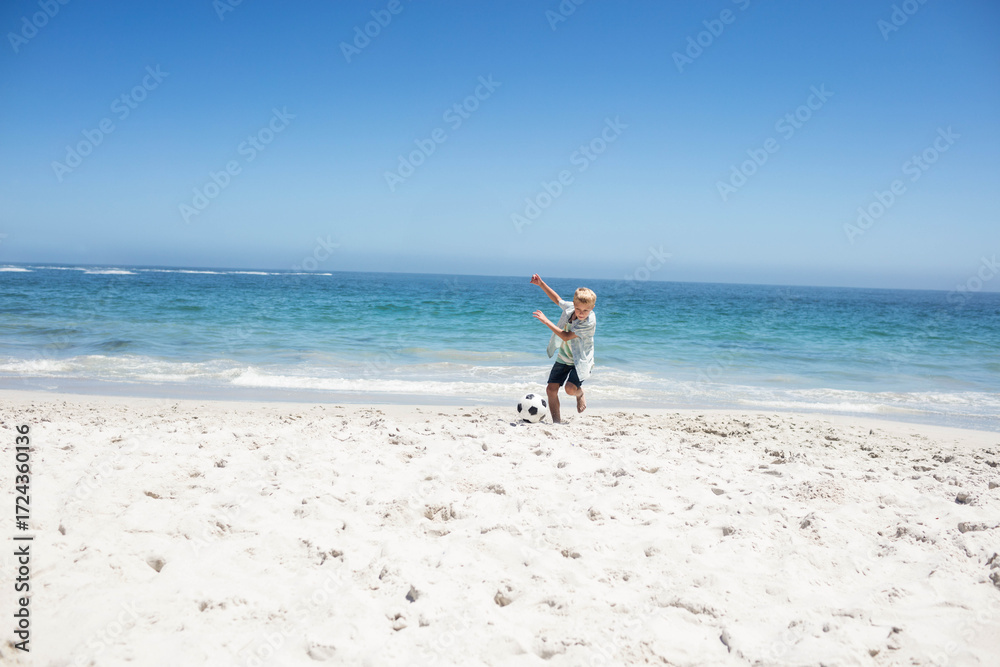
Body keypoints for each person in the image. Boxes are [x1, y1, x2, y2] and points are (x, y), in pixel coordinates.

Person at [530, 274, 596, 423]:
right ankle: (557, 422)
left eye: (585, 310)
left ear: (591, 309)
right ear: (574, 303)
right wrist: (541, 284)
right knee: (551, 390)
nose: (580, 313)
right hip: (564, 357)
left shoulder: (589, 322)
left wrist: (546, 321)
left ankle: (579, 394)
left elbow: (566, 336)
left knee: (570, 389)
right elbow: (557, 299)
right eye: (578, 308)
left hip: (580, 360)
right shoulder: (571, 309)